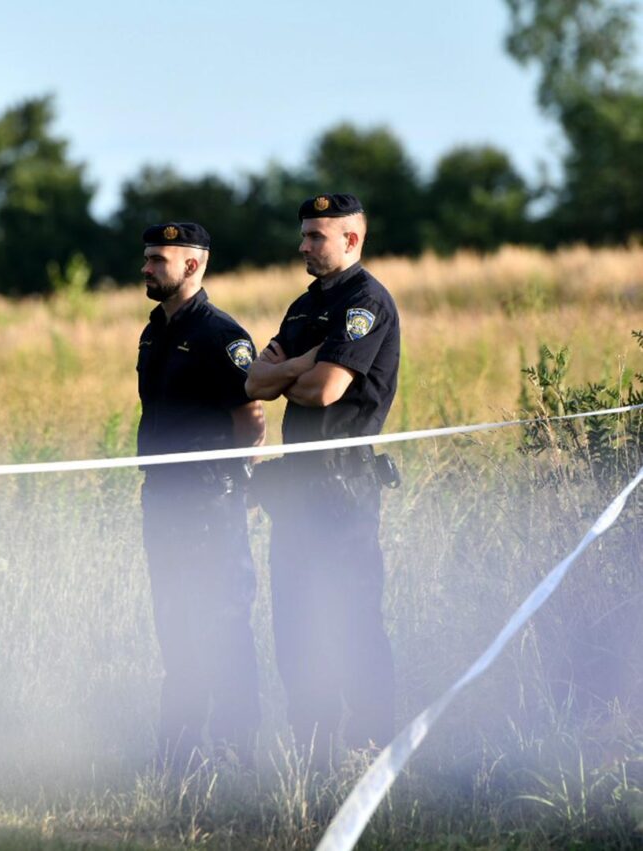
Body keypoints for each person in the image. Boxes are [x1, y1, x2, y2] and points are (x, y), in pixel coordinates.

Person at [244, 193, 401, 763]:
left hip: (344, 491)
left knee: (353, 621)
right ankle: (313, 751)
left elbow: (326, 390)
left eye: (316, 236)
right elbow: (255, 384)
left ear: (351, 241)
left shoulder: (366, 303)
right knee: (295, 627)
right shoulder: (303, 306)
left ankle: (369, 750)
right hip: (295, 492)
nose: (303, 245)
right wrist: (301, 364)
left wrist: (293, 371)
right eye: (304, 234)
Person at [136, 221, 266, 771]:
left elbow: (252, 422)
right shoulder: (152, 331)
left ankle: (235, 754)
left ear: (192, 265)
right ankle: (179, 756)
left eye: (157, 260)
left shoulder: (221, 335)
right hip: (161, 503)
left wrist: (229, 484)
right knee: (175, 625)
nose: (146, 268)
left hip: (210, 506)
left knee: (225, 625)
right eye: (146, 258)